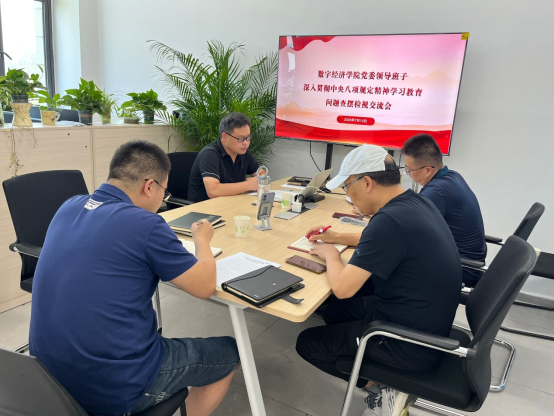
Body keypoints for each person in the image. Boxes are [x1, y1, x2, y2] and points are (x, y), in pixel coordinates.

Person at [29, 140, 240, 416]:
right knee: (229, 352)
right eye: (164, 191)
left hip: (44, 376)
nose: (162, 200)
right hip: (111, 384)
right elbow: (204, 286)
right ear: (149, 186)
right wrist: (202, 239)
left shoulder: (69, 206)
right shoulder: (147, 224)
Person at [295, 144, 462, 416]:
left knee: (308, 343)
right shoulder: (413, 202)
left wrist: (331, 255)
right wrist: (335, 237)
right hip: (424, 321)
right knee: (334, 310)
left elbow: (343, 287)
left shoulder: (389, 221)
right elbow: (375, 238)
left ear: (367, 183)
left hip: (407, 343)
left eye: (347, 187)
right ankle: (370, 365)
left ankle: (383, 388)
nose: (348, 196)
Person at [401, 133, 487, 288]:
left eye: (409, 169)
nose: (408, 173)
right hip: (468, 262)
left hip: (460, 270)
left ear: (427, 170)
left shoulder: (436, 191)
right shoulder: (452, 177)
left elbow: (404, 232)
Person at [188, 112, 260, 202]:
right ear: (225, 137)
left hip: (231, 202)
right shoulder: (210, 154)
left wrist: (259, 179)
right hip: (204, 207)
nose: (245, 143)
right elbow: (213, 191)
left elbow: (261, 173)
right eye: (240, 139)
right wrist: (248, 185)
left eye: (248, 137)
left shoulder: (243, 151)